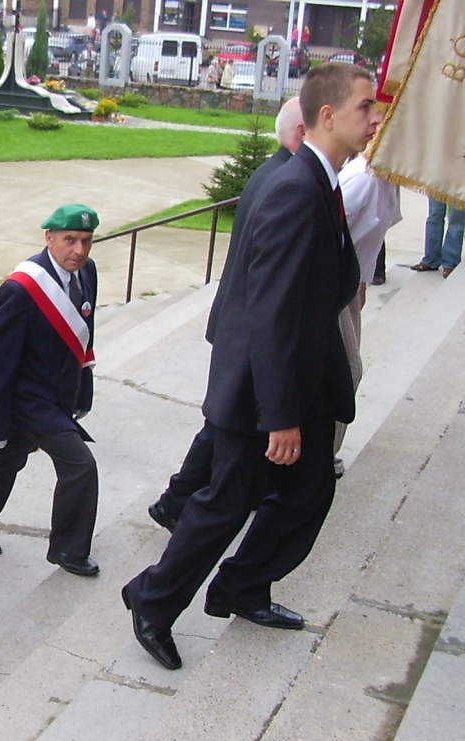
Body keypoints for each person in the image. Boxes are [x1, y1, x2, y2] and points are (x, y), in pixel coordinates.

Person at [122, 62, 380, 670]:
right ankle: (153, 601)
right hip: (266, 388)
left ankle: (242, 585)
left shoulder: (314, 178)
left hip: (304, 379)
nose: (375, 117)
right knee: (225, 502)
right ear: (328, 115)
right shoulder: (296, 189)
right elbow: (271, 313)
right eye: (366, 106)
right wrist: (280, 417)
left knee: (309, 492)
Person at [148, 97, 305, 533]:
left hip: (237, 322)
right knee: (224, 427)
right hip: (247, 329)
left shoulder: (270, 173)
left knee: (221, 425)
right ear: (302, 134)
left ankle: (175, 501)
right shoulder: (287, 182)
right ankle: (178, 503)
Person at [0, 204, 100, 576]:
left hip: (58, 394)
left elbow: (82, 334)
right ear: (49, 238)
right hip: (28, 400)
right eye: (69, 240)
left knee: (11, 457)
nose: (78, 250)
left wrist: (84, 388)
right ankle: (68, 549)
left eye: (86, 241)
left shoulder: (86, 272)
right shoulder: (21, 288)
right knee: (80, 466)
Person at [332, 155, 401, 475]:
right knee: (348, 370)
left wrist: (362, 277)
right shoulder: (363, 179)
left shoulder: (388, 179)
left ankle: (323, 452)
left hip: (350, 281)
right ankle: (321, 457)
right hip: (333, 283)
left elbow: (373, 234)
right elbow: (331, 232)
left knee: (346, 370)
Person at [411, 197, 464, 278]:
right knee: (434, 215)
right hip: (438, 184)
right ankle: (431, 259)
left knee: (456, 220)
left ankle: (451, 262)